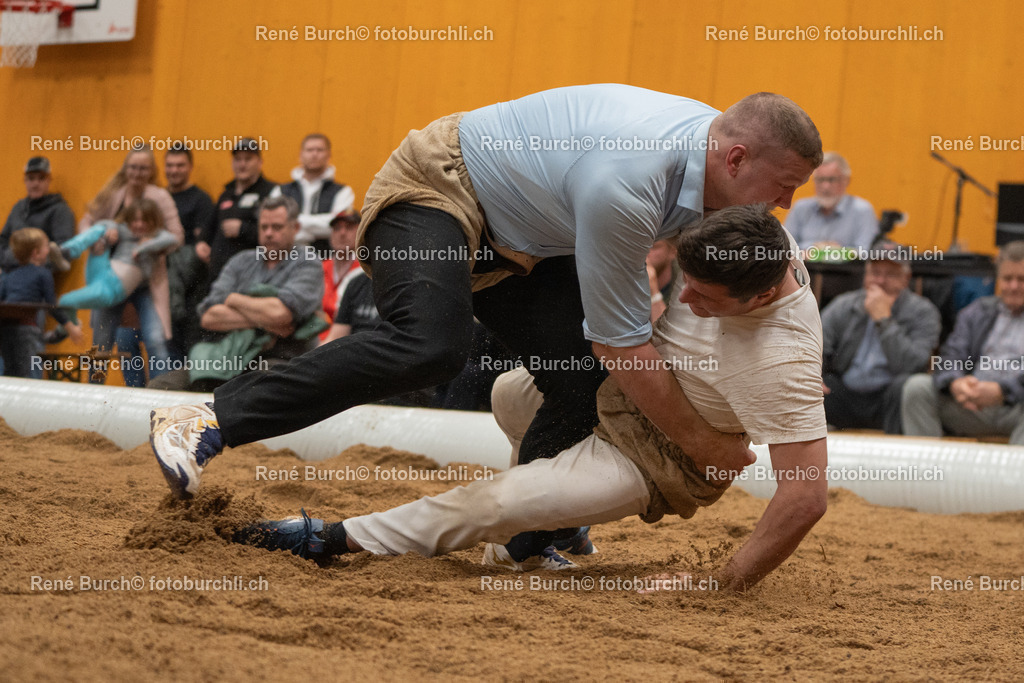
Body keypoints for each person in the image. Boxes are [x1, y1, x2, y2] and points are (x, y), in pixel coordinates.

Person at [151, 84, 822, 568]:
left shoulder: (711, 159)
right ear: (735, 160)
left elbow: (644, 335)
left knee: (590, 388)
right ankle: (207, 420)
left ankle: (536, 541)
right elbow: (621, 341)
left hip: (524, 244)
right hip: (438, 189)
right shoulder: (632, 183)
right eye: (784, 187)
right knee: (432, 345)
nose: (786, 206)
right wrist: (704, 442)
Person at [230, 206, 828, 590]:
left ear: (757, 297)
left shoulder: (784, 360)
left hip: (652, 460)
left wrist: (718, 583)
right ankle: (559, 531)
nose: (684, 301)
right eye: (684, 283)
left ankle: (332, 536)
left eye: (705, 298)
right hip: (620, 391)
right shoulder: (754, 235)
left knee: (496, 504)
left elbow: (804, 498)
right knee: (510, 393)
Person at [148, 196, 325, 392]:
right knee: (160, 387)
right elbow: (209, 317)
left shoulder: (307, 262)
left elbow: (281, 314)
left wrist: (233, 300)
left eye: (277, 227)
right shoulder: (240, 261)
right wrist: (266, 318)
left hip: (282, 358)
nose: (268, 233)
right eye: (263, 227)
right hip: (226, 355)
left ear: (296, 228)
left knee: (256, 389)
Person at [77, 146, 183, 384]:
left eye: (143, 168)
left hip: (147, 282)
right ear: (126, 168)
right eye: (133, 167)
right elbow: (88, 221)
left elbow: (177, 236)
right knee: (101, 341)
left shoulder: (160, 197)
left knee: (155, 338)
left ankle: (159, 397)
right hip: (112, 281)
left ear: (151, 171)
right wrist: (97, 239)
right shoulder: (113, 193)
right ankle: (92, 396)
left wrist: (151, 242)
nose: (137, 172)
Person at [901, 241, 1024, 444]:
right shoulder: (977, 312)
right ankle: (927, 471)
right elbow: (951, 356)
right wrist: (956, 383)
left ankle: (1017, 475)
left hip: (1017, 408)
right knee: (917, 388)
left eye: (1021, 279)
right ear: (998, 279)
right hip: (973, 405)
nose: (1013, 286)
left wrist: (1002, 391)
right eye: (1007, 279)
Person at [820, 241, 941, 434]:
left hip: (888, 398)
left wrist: (884, 320)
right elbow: (814, 344)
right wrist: (814, 376)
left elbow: (914, 364)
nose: (881, 281)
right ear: (865, 276)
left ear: (906, 278)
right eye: (875, 273)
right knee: (818, 386)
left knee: (905, 387)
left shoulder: (923, 312)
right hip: (847, 392)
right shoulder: (844, 304)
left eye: (891, 274)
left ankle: (896, 460)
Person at [53, 199, 178, 338]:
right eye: (135, 220)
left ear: (153, 222)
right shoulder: (126, 231)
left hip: (110, 289)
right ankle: (68, 251)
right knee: (100, 231)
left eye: (145, 221)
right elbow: (101, 224)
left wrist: (144, 247)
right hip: (102, 271)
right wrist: (111, 228)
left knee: (64, 301)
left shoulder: (156, 237)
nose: (139, 225)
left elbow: (172, 239)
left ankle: (67, 327)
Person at [0, 228, 83, 377]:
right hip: (27, 328)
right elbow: (51, 305)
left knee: (10, 372)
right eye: (46, 246)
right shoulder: (43, 273)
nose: (49, 249)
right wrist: (70, 326)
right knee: (30, 372)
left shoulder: (9, 275)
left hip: (5, 329)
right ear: (36, 253)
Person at [197, 138, 277, 285]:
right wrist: (202, 241)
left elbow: (276, 233)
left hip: (251, 272)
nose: (242, 164)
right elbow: (210, 224)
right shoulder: (227, 193)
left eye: (248, 159)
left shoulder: (271, 192)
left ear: (260, 162)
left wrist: (243, 229)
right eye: (238, 159)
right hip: (218, 271)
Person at [165, 142, 216, 356]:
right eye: (170, 165)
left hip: (191, 289)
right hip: (160, 282)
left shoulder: (201, 200)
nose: (174, 170)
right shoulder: (158, 197)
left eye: (180, 165)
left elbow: (201, 248)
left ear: (190, 167)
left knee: (184, 346)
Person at [271, 134, 356, 253]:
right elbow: (274, 225)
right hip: (285, 258)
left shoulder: (343, 192)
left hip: (324, 259)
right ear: (301, 155)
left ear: (329, 155)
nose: (314, 154)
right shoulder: (281, 190)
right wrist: (318, 227)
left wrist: (294, 224)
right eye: (310, 150)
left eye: (320, 150)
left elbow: (336, 227)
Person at [785, 151, 877, 254]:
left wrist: (836, 252)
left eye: (831, 180)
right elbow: (786, 248)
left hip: (844, 270)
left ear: (846, 181)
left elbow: (865, 253)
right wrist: (817, 248)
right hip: (804, 268)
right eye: (820, 180)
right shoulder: (800, 208)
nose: (825, 187)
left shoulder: (862, 210)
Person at [0, 157, 76, 273]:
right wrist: (6, 260)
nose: (35, 184)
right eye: (31, 178)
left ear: (49, 180)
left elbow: (63, 252)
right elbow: (3, 240)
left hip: (34, 278)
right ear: (25, 181)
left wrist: (23, 261)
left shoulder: (60, 211)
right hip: (6, 274)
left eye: (41, 178)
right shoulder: (18, 208)